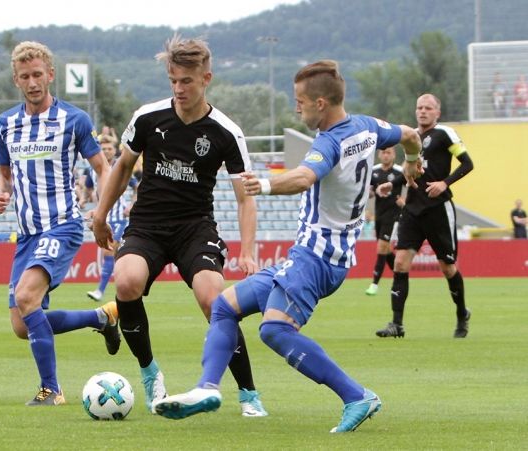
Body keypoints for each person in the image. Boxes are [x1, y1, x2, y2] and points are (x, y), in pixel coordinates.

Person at [150, 59, 422, 432]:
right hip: (315, 255)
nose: (297, 108)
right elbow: (410, 134)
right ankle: (207, 389)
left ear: (321, 103)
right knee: (224, 307)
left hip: (318, 259)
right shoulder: (369, 127)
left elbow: (304, 177)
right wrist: (414, 161)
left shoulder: (330, 141)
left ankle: (356, 395)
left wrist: (261, 184)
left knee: (274, 330)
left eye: (300, 102)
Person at [92, 35, 267, 417]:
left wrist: (249, 250)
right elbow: (122, 167)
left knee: (214, 300)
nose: (178, 88)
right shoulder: (148, 117)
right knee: (125, 282)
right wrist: (100, 215)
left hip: (195, 227)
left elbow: (245, 196)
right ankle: (150, 371)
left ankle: (249, 393)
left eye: (186, 81)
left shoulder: (225, 131)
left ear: (207, 78)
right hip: (147, 224)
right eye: (173, 80)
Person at [0, 41, 120, 406]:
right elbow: (5, 176)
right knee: (23, 324)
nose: (32, 82)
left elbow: (103, 169)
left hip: (62, 225)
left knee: (27, 296)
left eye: (37, 74)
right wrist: (1, 193)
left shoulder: (74, 120)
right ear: (16, 80)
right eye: (24, 76)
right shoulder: (6, 125)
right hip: (27, 234)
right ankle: (101, 317)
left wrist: (102, 214)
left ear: (50, 75)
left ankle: (52, 389)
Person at [376, 93, 474, 339]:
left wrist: (445, 182)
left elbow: (467, 163)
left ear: (437, 112)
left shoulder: (445, 134)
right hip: (412, 209)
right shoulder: (412, 137)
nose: (423, 111)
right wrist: (394, 183)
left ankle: (462, 314)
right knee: (400, 263)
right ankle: (396, 324)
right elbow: (414, 171)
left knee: (447, 267)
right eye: (419, 107)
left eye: (428, 108)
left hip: (438, 208)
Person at [87, 138, 138, 302]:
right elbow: (88, 188)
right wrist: (85, 200)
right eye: (103, 148)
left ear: (114, 150)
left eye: (109, 148)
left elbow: (136, 186)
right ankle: (131, 283)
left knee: (108, 251)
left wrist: (131, 205)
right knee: (114, 255)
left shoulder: (120, 167)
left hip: (118, 219)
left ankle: (100, 291)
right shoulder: (92, 169)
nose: (107, 151)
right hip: (103, 217)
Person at [365, 146, 405, 296]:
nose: (386, 155)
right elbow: (368, 193)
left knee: (382, 247)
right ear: (379, 155)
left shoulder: (399, 171)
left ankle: (374, 284)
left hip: (394, 215)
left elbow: (413, 186)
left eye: (389, 152)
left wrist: (404, 201)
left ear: (394, 155)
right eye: (383, 153)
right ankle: (400, 275)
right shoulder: (374, 171)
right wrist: (370, 193)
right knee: (386, 250)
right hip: (379, 215)